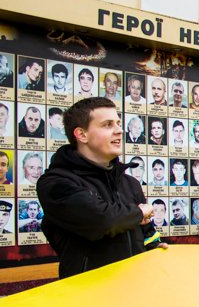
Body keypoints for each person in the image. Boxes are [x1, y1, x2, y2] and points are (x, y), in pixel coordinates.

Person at [35, 97, 165, 278]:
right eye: (107, 125)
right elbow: (102, 220)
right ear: (82, 134)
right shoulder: (55, 183)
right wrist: (139, 212)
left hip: (135, 286)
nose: (119, 130)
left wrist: (154, 246)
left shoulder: (130, 183)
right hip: (87, 290)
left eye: (118, 123)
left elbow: (146, 232)